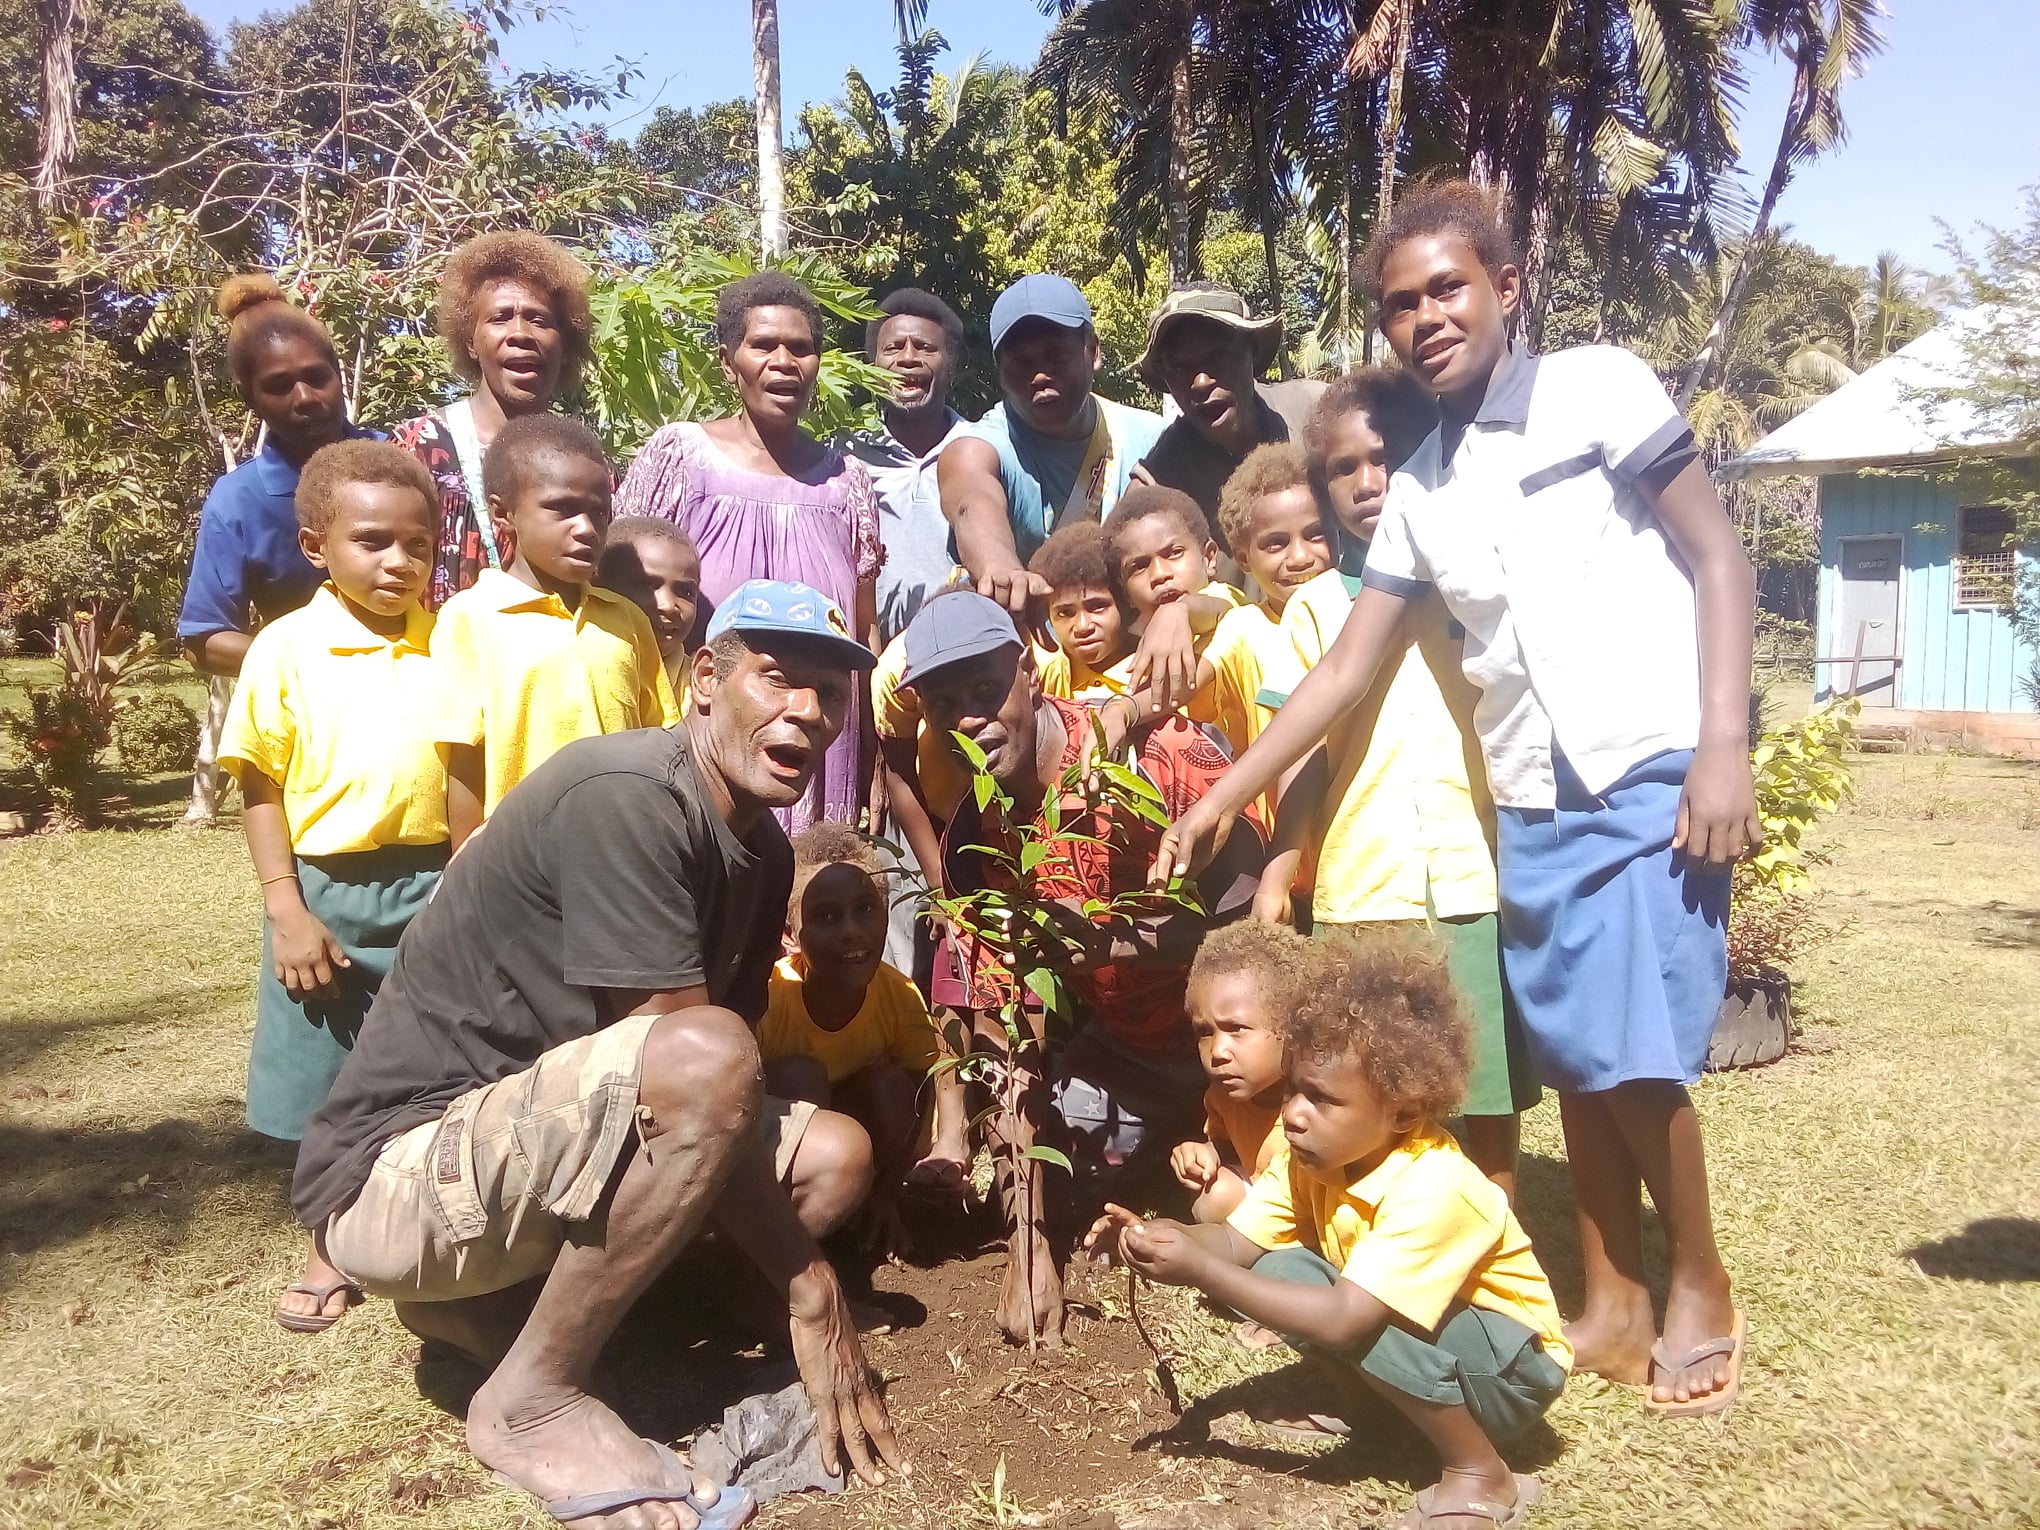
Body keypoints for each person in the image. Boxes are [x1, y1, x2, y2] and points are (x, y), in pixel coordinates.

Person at [1157, 177, 1759, 1416]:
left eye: (1448, 289)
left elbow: (1716, 555)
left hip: (1651, 762)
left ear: (1504, 288)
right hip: (1533, 796)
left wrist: (1723, 743)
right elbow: (1342, 668)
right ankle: (1615, 1303)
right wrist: (1229, 797)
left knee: (1639, 1052)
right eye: (1400, 303)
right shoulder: (1423, 485)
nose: (1426, 316)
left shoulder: (1598, 388)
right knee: (1581, 1056)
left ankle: (1698, 1278)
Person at [291, 579, 906, 1525]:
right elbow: (697, 1071)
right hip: (399, 1176)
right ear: (705, 677)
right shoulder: (627, 796)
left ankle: (491, 1314)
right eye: (780, 680)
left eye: (830, 696)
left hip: (535, 1152)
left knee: (833, 1154)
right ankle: (529, 1399)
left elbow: (720, 1104)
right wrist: (810, 1283)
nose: (809, 715)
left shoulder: (763, 853)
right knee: (705, 1060)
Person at [1086, 930, 1569, 1530]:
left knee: (1345, 1307)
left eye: (1321, 1098)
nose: (1292, 1113)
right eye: (1292, 1088)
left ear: (1404, 1112)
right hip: (1445, 1343)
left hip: (1511, 1372)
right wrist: (1162, 1239)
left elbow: (1345, 1319)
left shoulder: (1433, 1186)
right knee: (1282, 1267)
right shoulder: (1307, 1158)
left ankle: (1481, 1473)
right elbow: (1238, 1243)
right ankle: (1376, 1414)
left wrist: (1204, 1272)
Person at [902, 591, 1267, 1348]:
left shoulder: (1151, 756)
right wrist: (1027, 1244)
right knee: (1054, 1187)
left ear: (1030, 674)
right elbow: (1006, 1033)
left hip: (1244, 1048)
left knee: (1263, 1216)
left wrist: (1105, 942)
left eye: (983, 690)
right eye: (944, 702)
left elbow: (1253, 934)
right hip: (1127, 1049)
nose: (967, 716)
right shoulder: (980, 834)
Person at [1255, 370, 1540, 1195]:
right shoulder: (1315, 610)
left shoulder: (1475, 591)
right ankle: (1354, 1254)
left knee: (1480, 1088)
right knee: (1357, 1090)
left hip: (1468, 878)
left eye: (1386, 457)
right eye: (1342, 468)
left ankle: (1486, 1255)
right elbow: (1305, 749)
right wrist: (1281, 867)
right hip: (1359, 887)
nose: (1367, 482)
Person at [217, 439, 447, 1336]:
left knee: (431, 1066)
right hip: (330, 889)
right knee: (329, 1076)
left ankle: (429, 1228)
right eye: (373, 541)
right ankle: (329, 1243)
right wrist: (286, 907)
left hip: (441, 879)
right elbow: (261, 785)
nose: (399, 562)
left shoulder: (453, 640)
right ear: (317, 546)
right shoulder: (287, 649)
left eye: (417, 544)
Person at [616, 272, 881, 836]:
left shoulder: (846, 483)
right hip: (703, 743)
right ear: (727, 361)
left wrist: (873, 759)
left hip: (818, 746)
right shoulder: (680, 458)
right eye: (763, 345)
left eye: (801, 348)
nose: (784, 361)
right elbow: (620, 603)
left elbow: (865, 631)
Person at [432, 414, 678, 848]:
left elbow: (657, 740)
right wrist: (466, 862)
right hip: (515, 855)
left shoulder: (626, 621)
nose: (586, 529)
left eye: (598, 512)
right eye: (562, 509)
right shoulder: (469, 619)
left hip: (619, 846)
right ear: (502, 513)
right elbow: (463, 754)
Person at [759, 823, 970, 1247]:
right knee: (802, 1076)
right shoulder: (771, 998)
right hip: (783, 1148)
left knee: (892, 1087)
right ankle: (783, 1230)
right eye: (826, 916)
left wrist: (886, 1188)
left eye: (866, 910)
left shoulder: (897, 995)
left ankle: (863, 1201)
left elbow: (928, 1077)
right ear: (789, 935)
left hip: (855, 1132)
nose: (851, 930)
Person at [178, 275, 376, 677]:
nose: (305, 398)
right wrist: (314, 668)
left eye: (317, 377)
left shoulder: (402, 460)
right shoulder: (240, 500)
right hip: (309, 719)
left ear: (338, 374)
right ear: (249, 397)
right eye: (279, 386)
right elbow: (204, 641)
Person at [938, 273, 1164, 614]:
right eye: (1021, 363)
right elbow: (972, 501)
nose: (1040, 375)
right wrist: (1000, 567)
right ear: (999, 372)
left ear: (1093, 352)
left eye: (1055, 355)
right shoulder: (978, 449)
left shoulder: (1152, 439)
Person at [392, 232, 594, 610]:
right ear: (471, 341)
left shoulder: (582, 459)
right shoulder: (418, 446)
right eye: (500, 318)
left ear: (565, 344)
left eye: (539, 319)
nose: (520, 334)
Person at [1190, 441, 1335, 833]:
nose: (1300, 557)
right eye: (1276, 543)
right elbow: (1188, 689)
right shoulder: (1244, 628)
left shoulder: (1361, 617)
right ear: (1241, 558)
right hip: (1283, 861)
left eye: (1316, 534)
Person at [1133, 282, 1326, 544]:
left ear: (1252, 352)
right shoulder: (1160, 481)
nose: (1201, 382)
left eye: (1219, 357)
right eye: (1180, 368)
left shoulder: (1321, 413)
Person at [842, 288, 975, 646]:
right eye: (893, 348)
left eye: (926, 348)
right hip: (866, 656)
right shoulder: (843, 457)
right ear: (871, 366)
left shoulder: (982, 451)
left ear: (952, 365)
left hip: (961, 651)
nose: (908, 358)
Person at [1171, 918, 1306, 1227]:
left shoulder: (1319, 1105)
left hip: (1317, 1221)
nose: (1218, 1051)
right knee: (1216, 1195)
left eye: (1237, 1029)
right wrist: (1202, 1155)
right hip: (1269, 1207)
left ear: (1293, 1026)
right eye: (1205, 1032)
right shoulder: (1223, 1098)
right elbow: (1224, 1145)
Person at [596, 515, 705, 700]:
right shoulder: (580, 669)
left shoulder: (701, 690)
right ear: (599, 587)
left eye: (686, 592)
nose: (669, 606)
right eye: (645, 586)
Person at [1029, 522, 1137, 703]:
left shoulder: (1157, 671)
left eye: (1097, 607)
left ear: (1127, 601)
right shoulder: (1051, 676)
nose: (1082, 626)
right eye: (1064, 613)